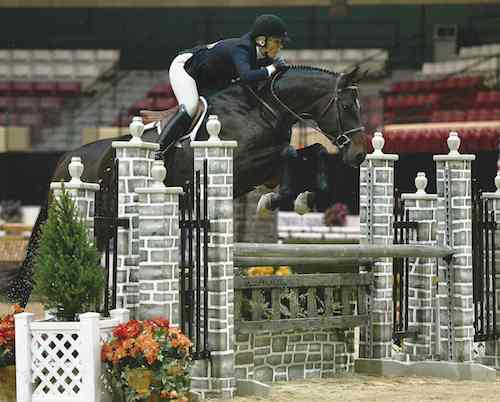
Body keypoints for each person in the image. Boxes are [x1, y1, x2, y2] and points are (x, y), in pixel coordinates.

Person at [156, 14, 290, 156]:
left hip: (211, 79)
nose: (280, 46)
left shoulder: (262, 56)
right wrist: (272, 69)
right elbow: (246, 76)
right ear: (262, 41)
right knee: (190, 107)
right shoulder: (242, 48)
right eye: (277, 42)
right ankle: (159, 149)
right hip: (186, 69)